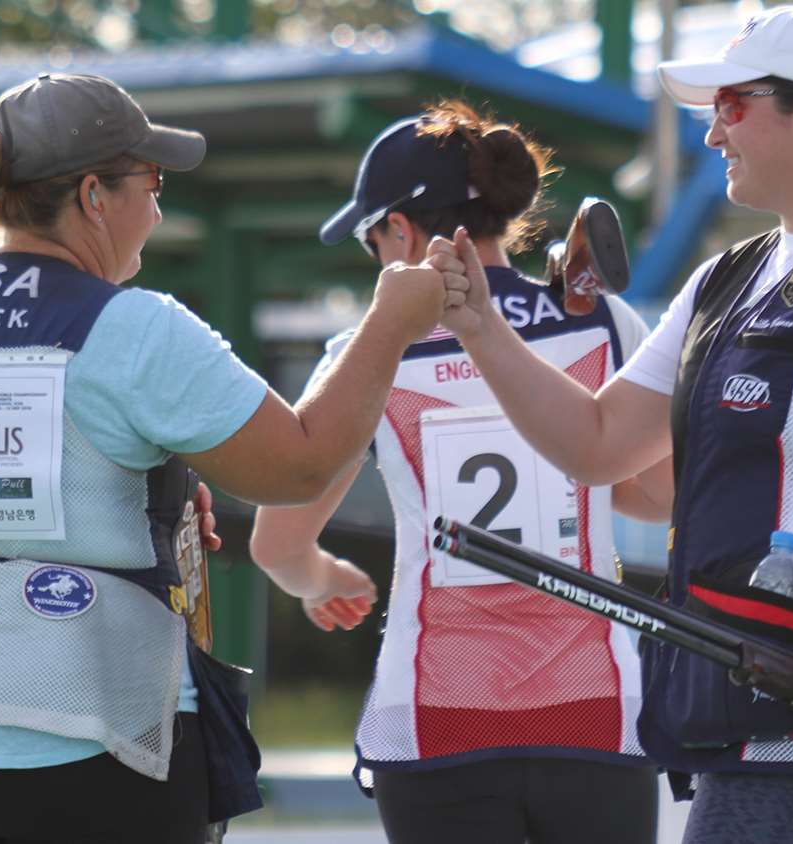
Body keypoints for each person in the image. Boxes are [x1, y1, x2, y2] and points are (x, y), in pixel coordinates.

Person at [0, 72, 445, 844]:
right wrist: (390, 324)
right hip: (77, 722)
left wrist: (158, 483)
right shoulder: (128, 323)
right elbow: (301, 467)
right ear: (92, 196)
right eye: (150, 183)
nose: (156, 206)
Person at [428, 5, 793, 842]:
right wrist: (479, 327)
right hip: (758, 702)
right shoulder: (728, 275)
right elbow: (599, 442)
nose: (713, 133)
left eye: (732, 106)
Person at [248, 101, 666, 844]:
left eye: (371, 238)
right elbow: (654, 495)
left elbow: (277, 543)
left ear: (401, 232)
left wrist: (321, 577)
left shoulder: (365, 348)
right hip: (598, 712)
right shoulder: (602, 320)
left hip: (435, 718)